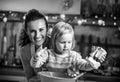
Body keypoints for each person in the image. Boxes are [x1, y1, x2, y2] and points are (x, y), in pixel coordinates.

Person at [30, 21, 107, 77]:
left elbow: (84, 66)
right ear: (54, 41)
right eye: (63, 42)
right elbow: (35, 65)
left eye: (69, 42)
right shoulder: (47, 54)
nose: (66, 46)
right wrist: (36, 58)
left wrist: (93, 63)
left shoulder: (74, 56)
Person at [19, 9, 50, 81]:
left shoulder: (56, 44)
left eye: (41, 30)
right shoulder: (25, 51)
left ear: (47, 29)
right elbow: (30, 78)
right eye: (32, 31)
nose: (37, 35)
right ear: (27, 31)